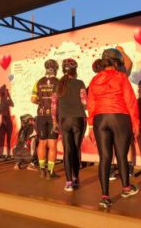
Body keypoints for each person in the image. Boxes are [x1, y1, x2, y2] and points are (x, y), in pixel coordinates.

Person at [87, 48, 139, 208]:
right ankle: (126, 188)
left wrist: (90, 126)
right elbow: (130, 101)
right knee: (121, 156)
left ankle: (105, 197)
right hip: (119, 117)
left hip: (100, 119)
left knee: (105, 158)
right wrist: (136, 123)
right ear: (116, 63)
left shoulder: (94, 80)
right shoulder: (121, 77)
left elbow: (91, 104)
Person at [51, 58, 87, 191]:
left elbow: (53, 105)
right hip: (78, 119)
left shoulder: (58, 85)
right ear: (75, 70)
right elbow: (85, 102)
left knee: (67, 150)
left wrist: (54, 121)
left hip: (64, 120)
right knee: (76, 150)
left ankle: (68, 182)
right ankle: (76, 178)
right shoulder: (80, 83)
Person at [31, 59, 59, 179]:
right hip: (53, 115)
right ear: (55, 69)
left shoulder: (38, 82)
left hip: (41, 115)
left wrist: (41, 102)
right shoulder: (59, 82)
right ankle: (50, 171)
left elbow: (33, 99)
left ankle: (42, 169)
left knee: (41, 142)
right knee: (52, 144)